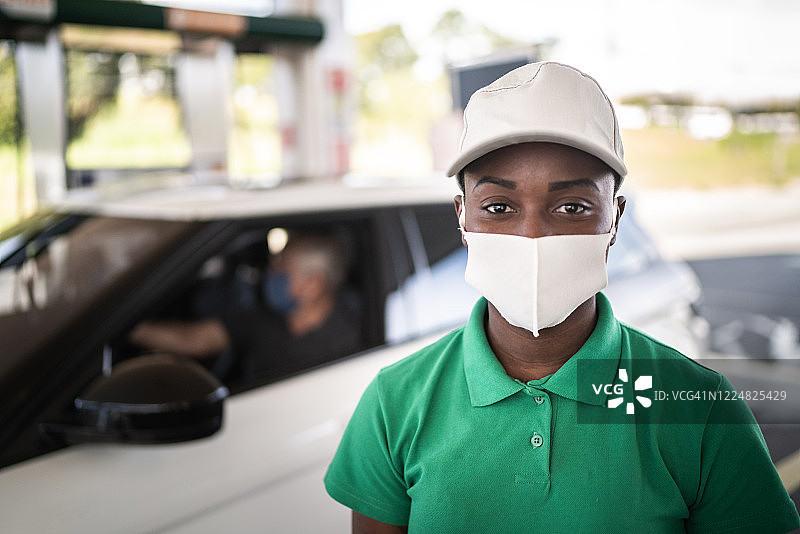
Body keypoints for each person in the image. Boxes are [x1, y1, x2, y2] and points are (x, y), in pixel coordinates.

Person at [324, 62, 800, 533]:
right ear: (463, 217)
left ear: (613, 219)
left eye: (572, 207)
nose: (532, 236)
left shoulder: (700, 407)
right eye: (498, 207)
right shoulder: (396, 401)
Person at [129, 232, 361, 382]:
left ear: (313, 283)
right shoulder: (264, 318)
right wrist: (131, 329)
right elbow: (198, 339)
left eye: (282, 270)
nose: (270, 273)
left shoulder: (351, 342)